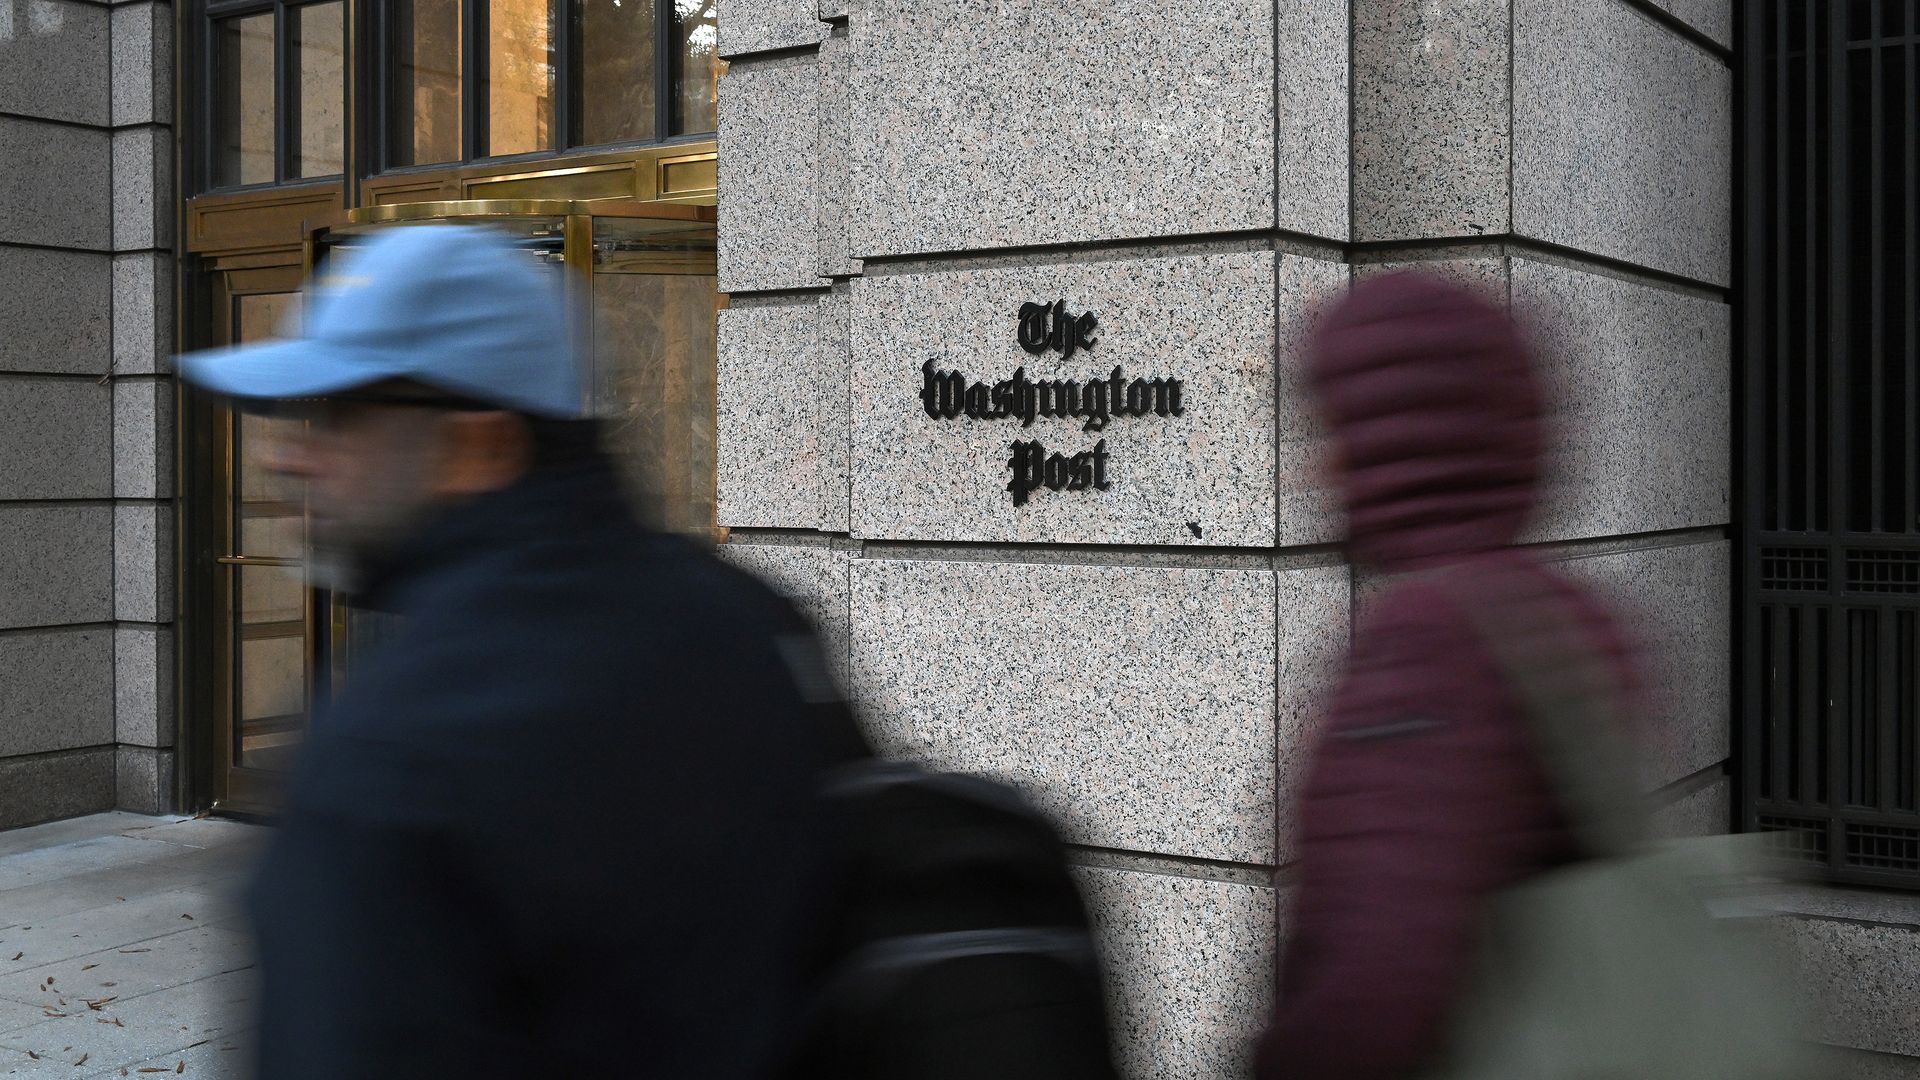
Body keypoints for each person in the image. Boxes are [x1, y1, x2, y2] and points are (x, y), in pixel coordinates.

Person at [179, 225, 843, 1078]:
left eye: (336, 413)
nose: (286, 456)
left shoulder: (395, 751)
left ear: (478, 446)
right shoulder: (756, 622)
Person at [1256, 272, 1648, 1079]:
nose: (1311, 471)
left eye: (1329, 431)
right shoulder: (1567, 609)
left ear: (1391, 442)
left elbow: (1379, 982)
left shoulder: (1428, 640)